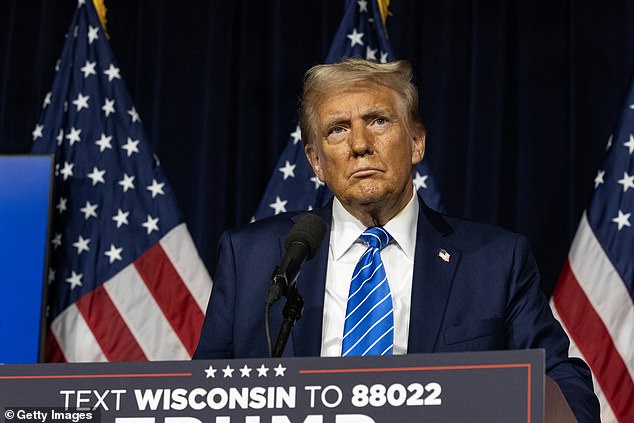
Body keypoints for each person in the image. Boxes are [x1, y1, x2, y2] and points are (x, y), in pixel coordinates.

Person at [194, 58, 599, 421]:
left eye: (378, 121)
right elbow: (199, 398)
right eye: (337, 130)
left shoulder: (495, 261)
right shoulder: (252, 256)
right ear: (316, 161)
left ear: (417, 143)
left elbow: (563, 384)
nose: (359, 145)